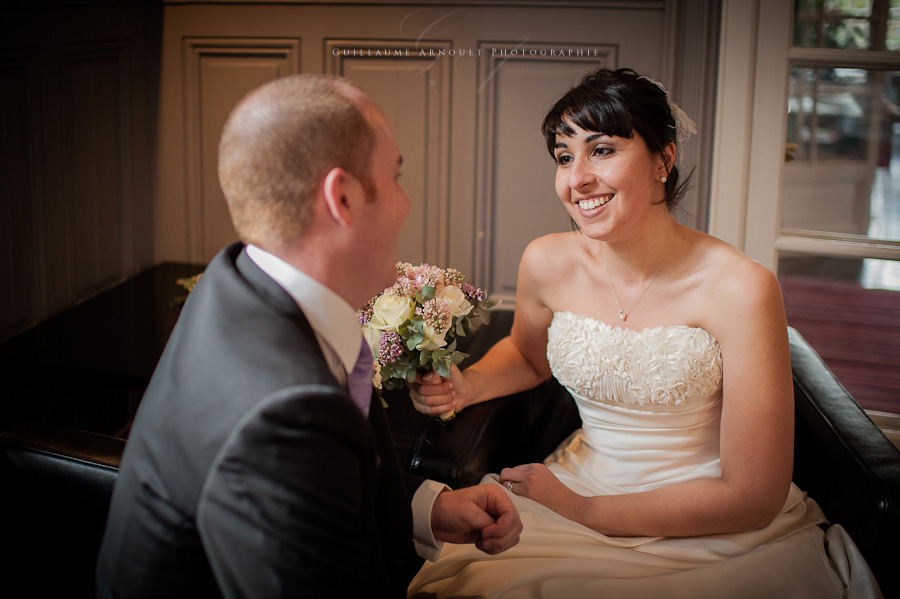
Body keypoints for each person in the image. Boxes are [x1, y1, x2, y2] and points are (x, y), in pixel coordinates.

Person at [406, 67, 882, 598]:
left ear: (663, 159)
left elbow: (753, 495)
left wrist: (582, 510)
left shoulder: (742, 288)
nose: (576, 179)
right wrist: (466, 386)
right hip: (582, 476)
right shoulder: (546, 261)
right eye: (565, 157)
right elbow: (527, 353)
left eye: (602, 150)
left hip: (710, 518)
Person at [95, 74, 522, 599]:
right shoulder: (286, 413)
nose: (407, 203)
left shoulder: (236, 279)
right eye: (396, 176)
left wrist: (423, 508)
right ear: (341, 196)